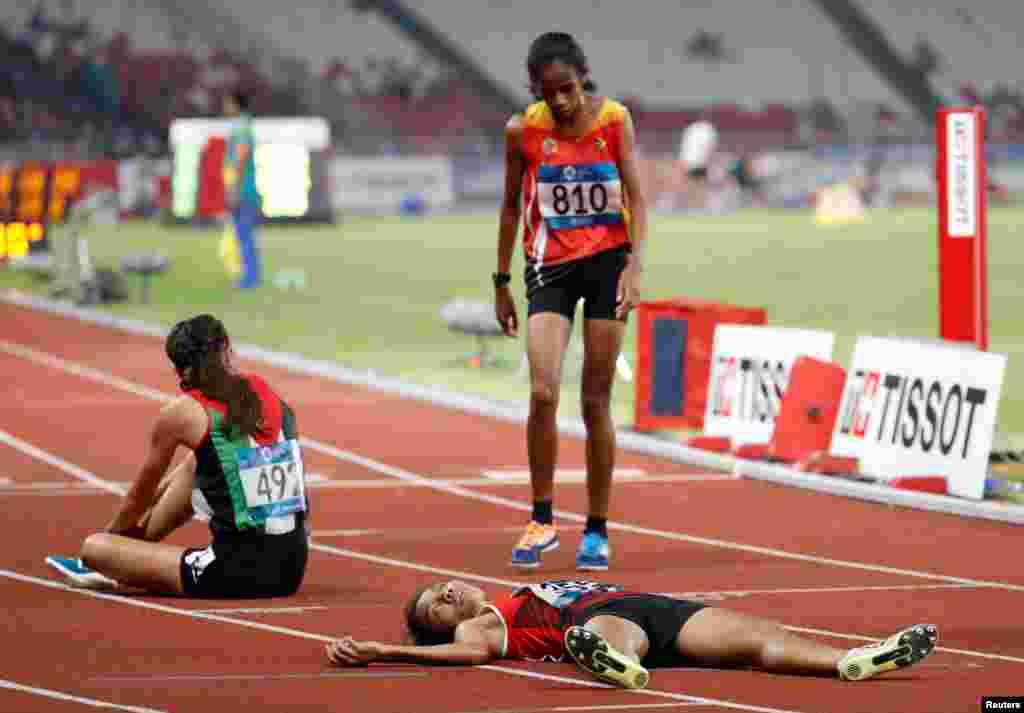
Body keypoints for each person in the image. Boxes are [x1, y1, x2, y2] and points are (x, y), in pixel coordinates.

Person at [494, 32, 648, 571]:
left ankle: (597, 530)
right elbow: (511, 209)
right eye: (547, 92)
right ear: (534, 90)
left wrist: (634, 264)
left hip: (607, 263)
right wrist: (499, 281)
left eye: (567, 89)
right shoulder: (523, 130)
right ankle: (540, 518)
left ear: (583, 77)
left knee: (595, 400)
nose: (559, 101)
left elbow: (635, 195)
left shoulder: (614, 121)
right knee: (542, 391)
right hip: (549, 267)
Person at [46, 314, 310, 598]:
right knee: (195, 462)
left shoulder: (180, 414)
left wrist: (108, 541)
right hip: (293, 564)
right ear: (227, 348)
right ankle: (130, 552)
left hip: (237, 570)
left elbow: (138, 498)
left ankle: (113, 559)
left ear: (180, 369)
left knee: (95, 547)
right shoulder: (263, 390)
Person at [325, 579, 938, 690]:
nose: (446, 596)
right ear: (445, 629)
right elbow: (466, 655)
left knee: (758, 640)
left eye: (440, 588)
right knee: (606, 631)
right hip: (595, 622)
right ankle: (612, 661)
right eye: (437, 608)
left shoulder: (512, 591)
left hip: (657, 606)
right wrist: (385, 651)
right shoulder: (491, 629)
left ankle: (852, 661)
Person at [223, 91, 263, 289]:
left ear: (236, 104)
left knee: (244, 235)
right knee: (245, 235)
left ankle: (250, 278)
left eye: (228, 103)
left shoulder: (241, 127)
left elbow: (240, 156)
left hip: (243, 189)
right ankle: (253, 276)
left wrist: (233, 188)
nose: (225, 107)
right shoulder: (244, 126)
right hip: (245, 187)